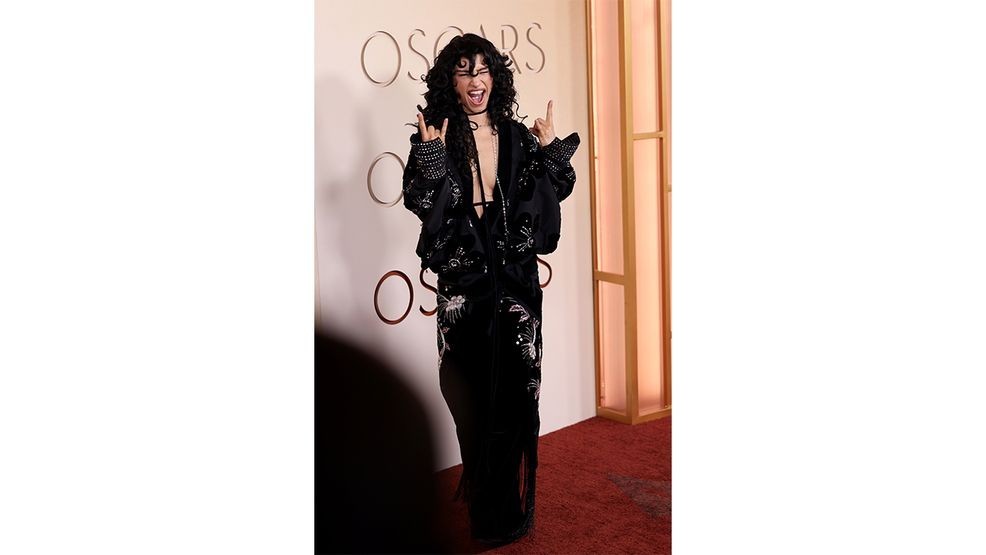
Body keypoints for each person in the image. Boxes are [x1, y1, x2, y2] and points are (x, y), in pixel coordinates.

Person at [401, 33, 579, 545]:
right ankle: (485, 509)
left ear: (494, 77)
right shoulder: (436, 135)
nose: (476, 81)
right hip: (465, 293)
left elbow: (556, 190)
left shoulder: (517, 136)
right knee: (469, 400)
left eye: (484, 70)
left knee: (515, 402)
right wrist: (433, 155)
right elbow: (419, 200)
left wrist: (551, 149)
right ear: (450, 81)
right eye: (464, 71)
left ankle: (503, 515)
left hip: (517, 291)